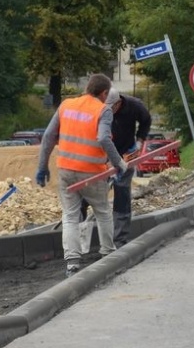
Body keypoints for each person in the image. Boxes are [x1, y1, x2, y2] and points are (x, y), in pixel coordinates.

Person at [35, 73, 127, 276]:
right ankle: (108, 254)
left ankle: (72, 263)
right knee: (102, 211)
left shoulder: (66, 105)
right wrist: (118, 162)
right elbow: (103, 138)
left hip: (66, 170)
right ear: (104, 93)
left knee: (69, 216)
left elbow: (49, 135)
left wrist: (42, 167)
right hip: (92, 173)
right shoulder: (103, 110)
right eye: (106, 95)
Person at [109, 91, 152, 245]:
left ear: (118, 103)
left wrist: (140, 140)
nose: (109, 111)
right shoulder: (99, 107)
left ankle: (120, 239)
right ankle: (83, 236)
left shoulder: (134, 106)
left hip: (125, 154)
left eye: (111, 108)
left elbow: (146, 120)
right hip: (103, 155)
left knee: (121, 194)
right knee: (90, 194)